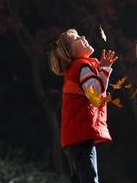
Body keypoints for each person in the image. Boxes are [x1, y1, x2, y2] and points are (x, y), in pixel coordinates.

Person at [49, 29, 118, 183]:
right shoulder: (82, 67)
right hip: (80, 136)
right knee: (89, 179)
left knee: (79, 179)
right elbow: (95, 93)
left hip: (73, 137)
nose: (83, 37)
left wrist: (100, 70)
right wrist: (105, 69)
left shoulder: (76, 69)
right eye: (77, 38)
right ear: (70, 52)